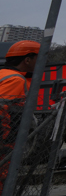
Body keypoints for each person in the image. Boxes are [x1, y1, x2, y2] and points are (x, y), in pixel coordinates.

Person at [0, 41, 40, 186]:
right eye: (39, 58)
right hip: (6, 144)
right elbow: (2, 111)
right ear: (27, 59)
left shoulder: (4, 74)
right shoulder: (15, 80)